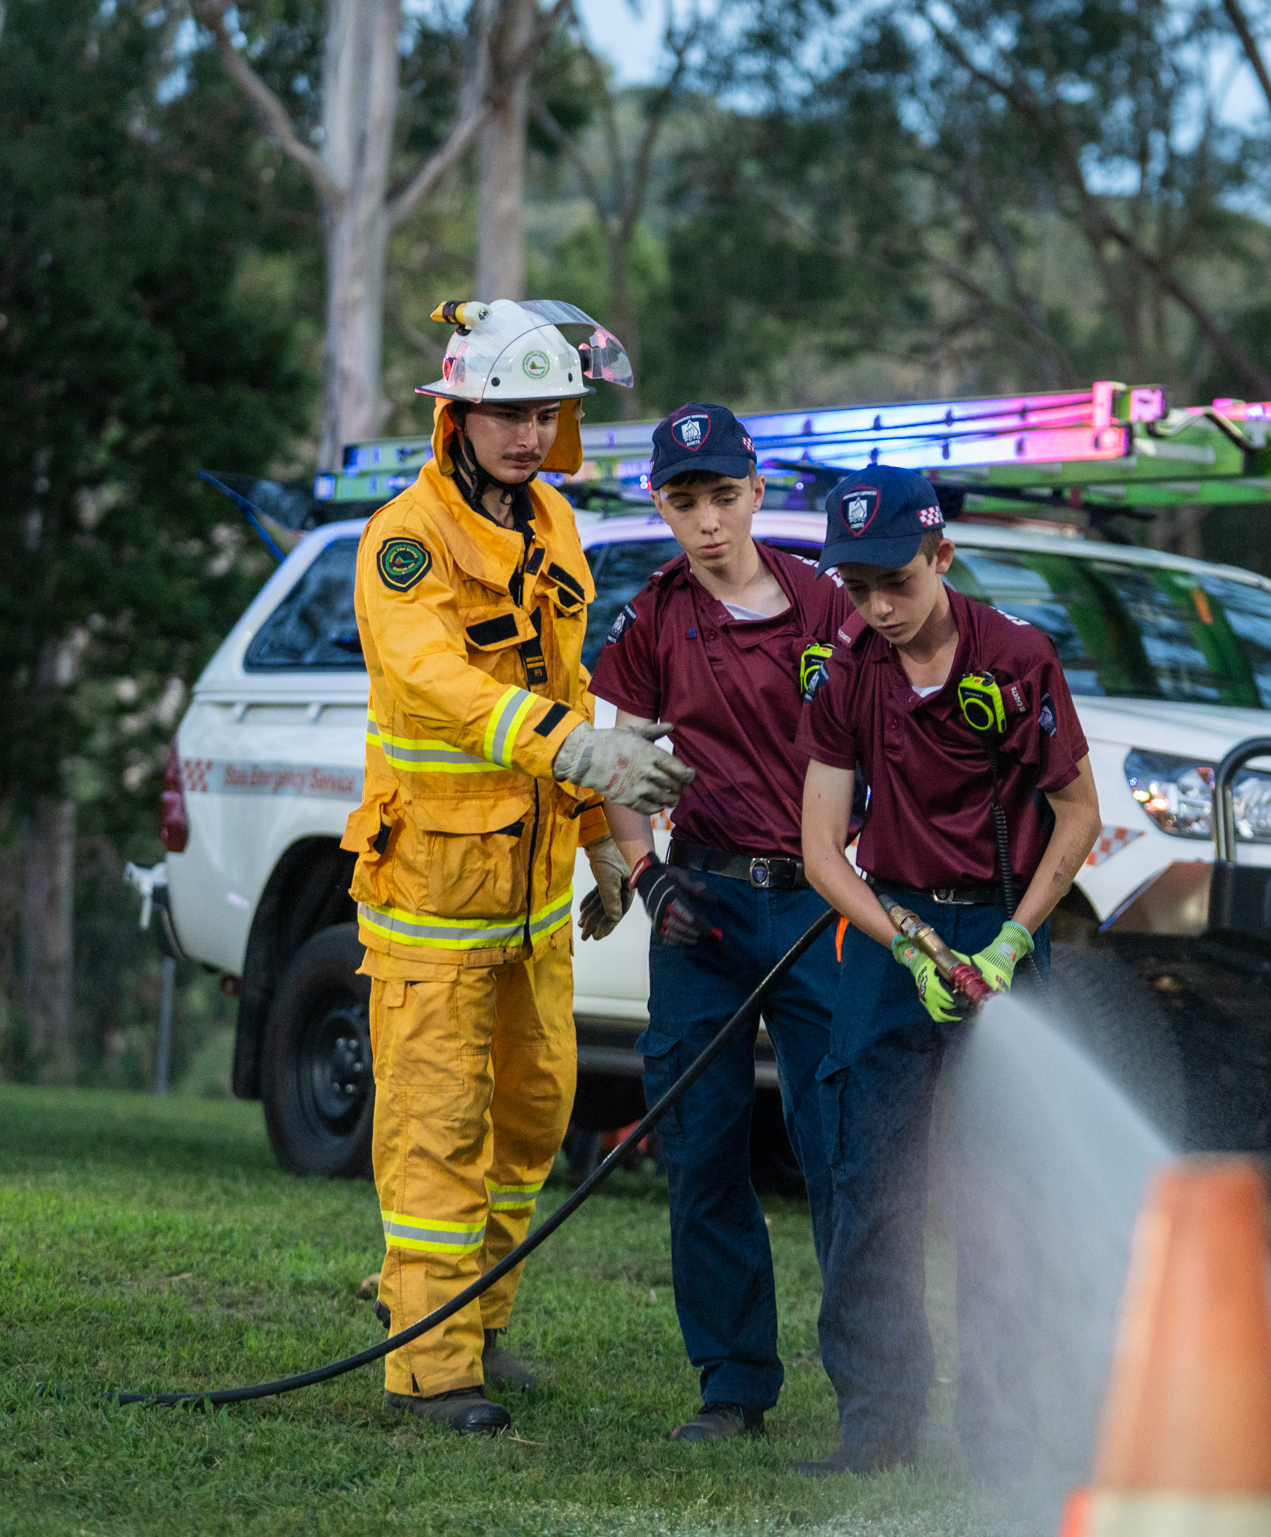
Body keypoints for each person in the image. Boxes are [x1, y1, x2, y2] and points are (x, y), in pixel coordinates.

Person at [342, 298, 693, 1436]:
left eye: (543, 412)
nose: (526, 433)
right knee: (436, 1126)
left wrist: (597, 841)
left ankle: (483, 1326)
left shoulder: (551, 522)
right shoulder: (405, 538)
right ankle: (428, 1369)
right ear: (456, 414)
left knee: (534, 1115)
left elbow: (566, 684)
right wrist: (575, 747)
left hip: (533, 899)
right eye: (503, 411)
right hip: (432, 900)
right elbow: (438, 681)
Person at [792, 465, 1102, 1477]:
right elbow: (821, 851)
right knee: (866, 1184)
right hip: (895, 943)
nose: (875, 607)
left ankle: (1000, 1427)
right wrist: (906, 943)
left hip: (1001, 935)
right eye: (855, 587)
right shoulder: (843, 671)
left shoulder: (1016, 659)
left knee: (1001, 1196)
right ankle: (875, 1426)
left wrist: (1009, 942)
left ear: (941, 557)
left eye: (894, 582)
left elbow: (1078, 815)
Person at [585, 403, 861, 1443]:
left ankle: (869, 1395)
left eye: (722, 496)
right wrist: (648, 879)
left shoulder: (826, 600)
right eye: (682, 500)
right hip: (697, 912)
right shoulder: (651, 616)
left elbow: (878, 736)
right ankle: (732, 1384)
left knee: (838, 1144)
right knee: (701, 1148)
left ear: (756, 490)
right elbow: (622, 763)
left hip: (814, 906)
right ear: (660, 504)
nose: (706, 522)